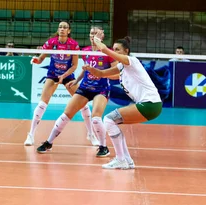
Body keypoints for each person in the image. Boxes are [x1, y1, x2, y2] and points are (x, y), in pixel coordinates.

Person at [83, 35, 162, 170]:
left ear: (126, 51)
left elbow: (105, 51)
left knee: (108, 120)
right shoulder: (121, 67)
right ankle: (127, 160)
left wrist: (97, 42)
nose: (115, 52)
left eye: (118, 50)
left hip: (149, 104)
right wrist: (91, 70)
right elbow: (102, 74)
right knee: (113, 122)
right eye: (114, 49)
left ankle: (120, 159)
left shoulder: (131, 61)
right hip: (151, 106)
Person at [36, 26, 116, 157]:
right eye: (91, 33)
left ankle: (103, 147)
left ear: (102, 35)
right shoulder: (85, 51)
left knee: (96, 118)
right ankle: (48, 142)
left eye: (95, 33)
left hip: (101, 90)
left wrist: (101, 74)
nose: (92, 35)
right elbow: (85, 69)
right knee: (66, 114)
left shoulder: (108, 53)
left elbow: (115, 74)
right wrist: (77, 80)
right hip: (85, 87)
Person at [25, 21, 99, 146]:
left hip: (68, 75)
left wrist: (63, 76)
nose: (62, 29)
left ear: (69, 31)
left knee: (83, 104)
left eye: (65, 27)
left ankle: (91, 134)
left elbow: (75, 65)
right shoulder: (52, 42)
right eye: (60, 27)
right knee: (42, 104)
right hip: (53, 74)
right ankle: (31, 135)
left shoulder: (73, 45)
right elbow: (41, 57)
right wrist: (37, 60)